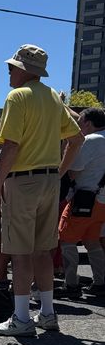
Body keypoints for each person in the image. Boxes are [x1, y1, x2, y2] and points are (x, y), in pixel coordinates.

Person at [0, 45, 84, 336]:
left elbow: (11, 146)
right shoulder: (53, 97)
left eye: (12, 66)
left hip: (22, 179)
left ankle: (21, 319)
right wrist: (59, 172)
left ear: (24, 70)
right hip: (49, 181)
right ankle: (47, 313)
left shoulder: (17, 97)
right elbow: (77, 138)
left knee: (20, 253)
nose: (9, 70)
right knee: (43, 251)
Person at [58, 106, 105, 298]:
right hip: (102, 201)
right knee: (92, 241)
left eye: (79, 123)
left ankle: (71, 284)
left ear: (87, 123)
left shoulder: (91, 140)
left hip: (85, 198)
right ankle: (100, 282)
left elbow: (74, 170)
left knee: (66, 239)